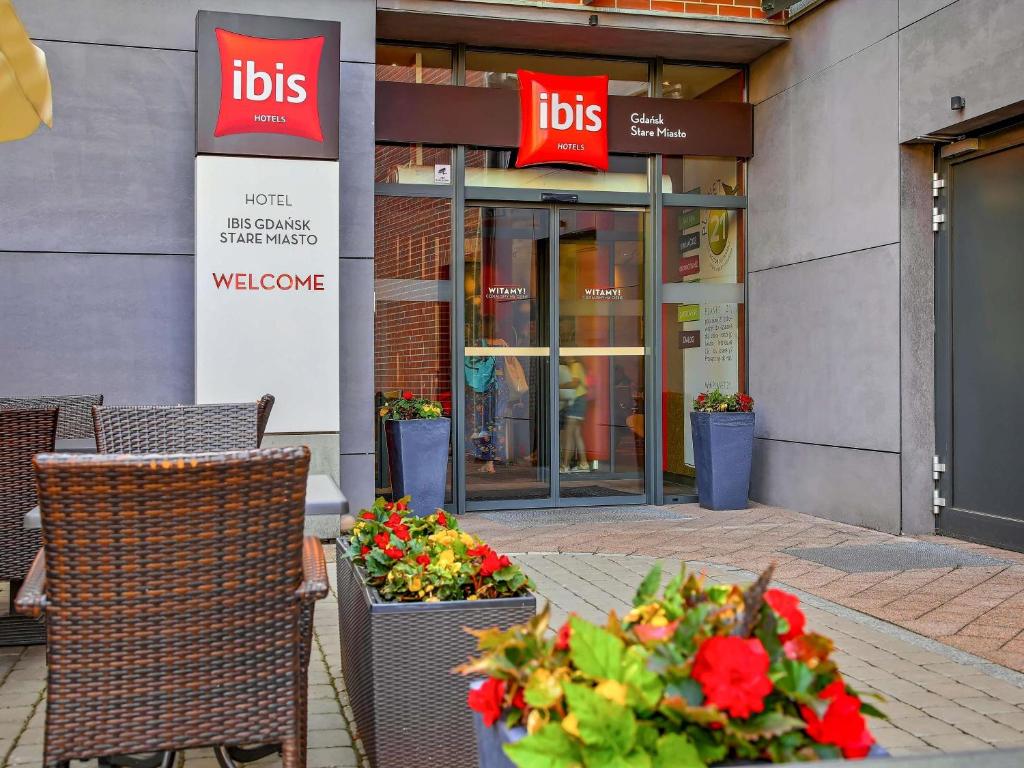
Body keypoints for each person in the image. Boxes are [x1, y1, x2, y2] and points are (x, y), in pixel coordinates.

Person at [559, 356, 589, 473]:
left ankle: (565, 465)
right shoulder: (574, 366)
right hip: (579, 401)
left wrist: (558, 386)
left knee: (569, 435)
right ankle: (584, 463)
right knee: (576, 434)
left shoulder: (576, 366)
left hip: (576, 401)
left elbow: (575, 383)